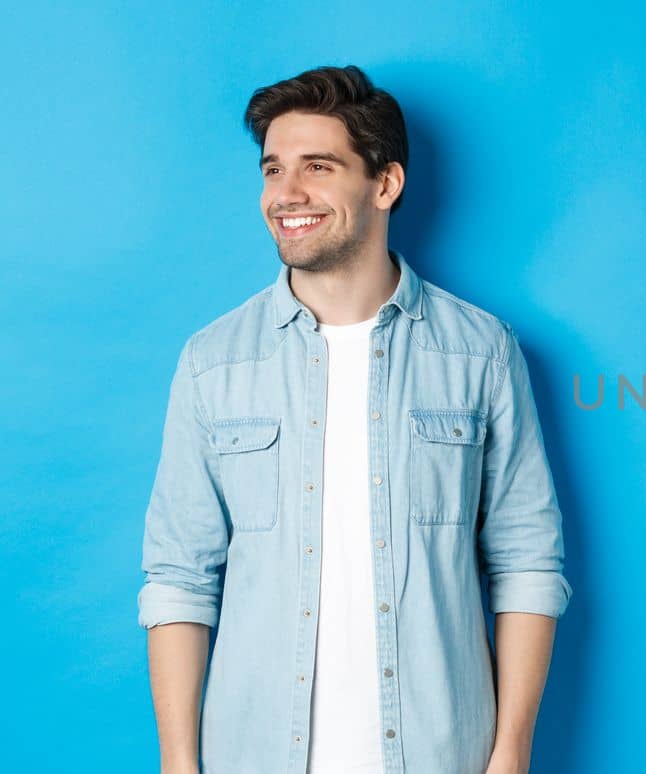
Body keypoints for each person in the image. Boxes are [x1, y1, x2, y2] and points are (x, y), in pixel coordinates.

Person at [137, 64, 571, 774]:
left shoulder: (481, 353)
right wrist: (179, 765)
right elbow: (180, 578)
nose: (287, 195)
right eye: (273, 169)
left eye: (318, 166)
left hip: (439, 754)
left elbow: (527, 561)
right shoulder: (213, 363)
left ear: (385, 183)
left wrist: (510, 753)